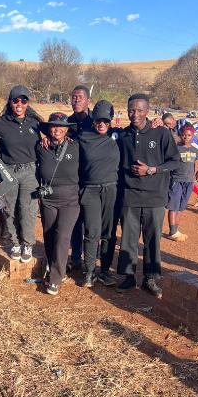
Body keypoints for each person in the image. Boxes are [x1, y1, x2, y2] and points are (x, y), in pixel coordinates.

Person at [116, 94, 180, 298]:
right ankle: (128, 277)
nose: (135, 114)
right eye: (131, 110)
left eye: (139, 110)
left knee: (152, 239)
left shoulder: (160, 133)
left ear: (147, 111)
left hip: (155, 197)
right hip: (130, 195)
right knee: (128, 239)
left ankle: (150, 278)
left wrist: (151, 170)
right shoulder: (123, 135)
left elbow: (175, 161)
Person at [0, 85, 41, 263]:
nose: (19, 104)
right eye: (16, 100)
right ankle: (15, 243)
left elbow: (55, 133)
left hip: (30, 171)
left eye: (23, 100)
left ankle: (27, 243)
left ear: (28, 103)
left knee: (28, 210)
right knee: (9, 209)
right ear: (10, 102)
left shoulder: (35, 123)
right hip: (8, 171)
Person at [36, 113, 80, 295]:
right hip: (48, 199)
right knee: (49, 235)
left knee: (62, 236)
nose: (58, 129)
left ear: (67, 129)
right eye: (54, 126)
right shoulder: (41, 147)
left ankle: (55, 278)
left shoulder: (75, 146)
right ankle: (52, 263)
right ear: (48, 129)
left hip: (70, 200)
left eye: (62, 126)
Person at [78, 100, 120, 287]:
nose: (102, 124)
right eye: (98, 121)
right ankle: (89, 271)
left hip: (111, 190)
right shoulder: (82, 137)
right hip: (90, 190)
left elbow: (140, 131)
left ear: (111, 121)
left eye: (106, 121)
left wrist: (156, 122)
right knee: (92, 232)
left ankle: (104, 271)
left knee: (108, 233)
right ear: (93, 120)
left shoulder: (118, 135)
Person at [165, 123, 198, 241]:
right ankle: (172, 232)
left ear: (193, 136)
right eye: (184, 135)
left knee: (181, 207)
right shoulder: (176, 148)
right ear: (180, 135)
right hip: (176, 180)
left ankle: (176, 230)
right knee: (173, 206)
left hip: (189, 181)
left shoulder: (194, 148)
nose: (186, 137)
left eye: (189, 135)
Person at [67, 85, 93, 270]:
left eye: (80, 97)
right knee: (75, 220)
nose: (76, 100)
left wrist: (154, 121)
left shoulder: (96, 122)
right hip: (73, 179)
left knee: (91, 222)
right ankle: (76, 257)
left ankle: (91, 261)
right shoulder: (67, 123)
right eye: (73, 97)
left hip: (92, 179)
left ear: (88, 101)